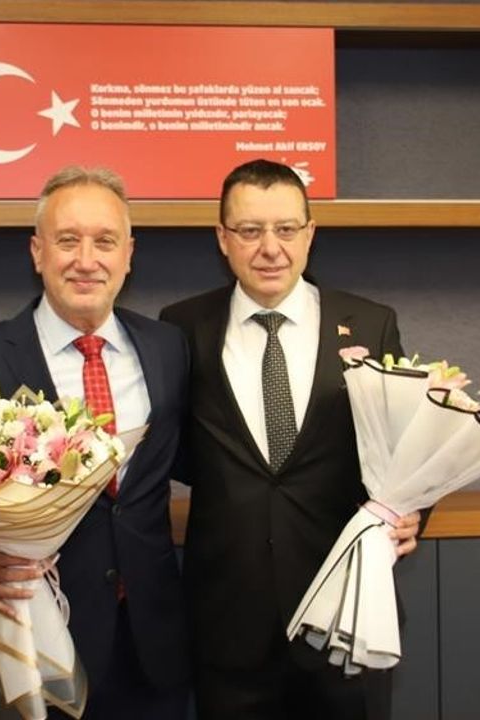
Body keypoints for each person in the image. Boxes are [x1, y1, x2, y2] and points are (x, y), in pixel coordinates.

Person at [0, 166, 190, 719]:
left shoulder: (169, 347)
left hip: (154, 648)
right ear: (37, 252)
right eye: (67, 240)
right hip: (38, 638)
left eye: (105, 241)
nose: (86, 260)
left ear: (128, 254)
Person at [159, 159, 421, 720]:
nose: (270, 248)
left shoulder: (370, 324)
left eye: (285, 229)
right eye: (250, 230)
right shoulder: (180, 328)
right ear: (222, 239)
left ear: (310, 233)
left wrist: (414, 509)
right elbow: (173, 452)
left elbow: (411, 446)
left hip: (347, 616)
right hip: (227, 623)